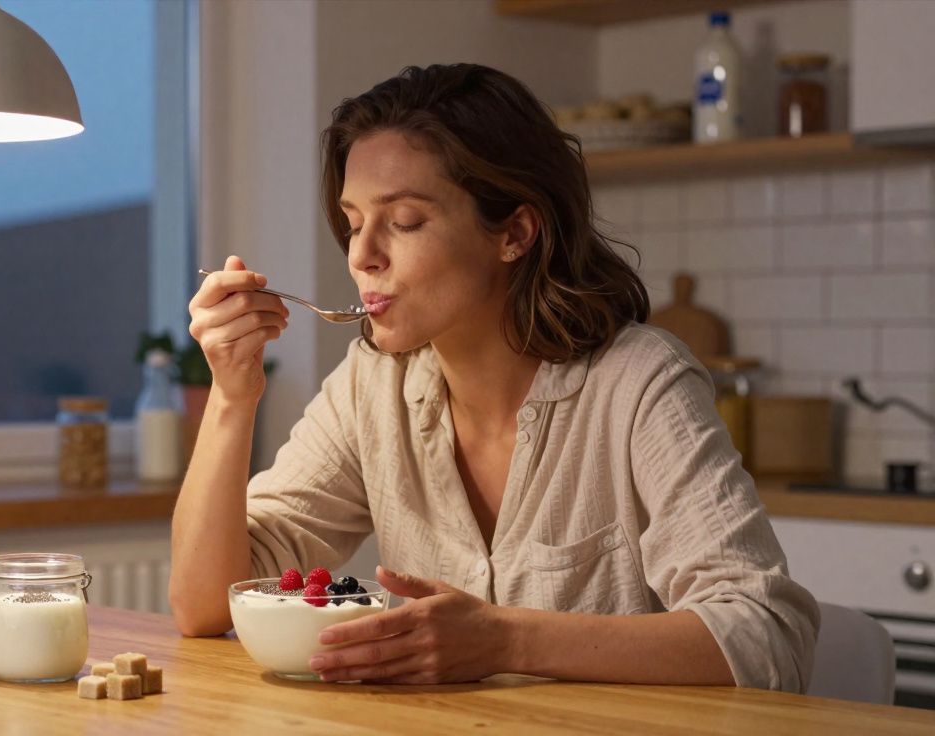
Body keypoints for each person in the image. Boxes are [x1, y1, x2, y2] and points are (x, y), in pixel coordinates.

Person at [169, 63, 819, 692]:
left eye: (403, 222)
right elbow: (205, 604)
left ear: (514, 232)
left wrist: (504, 641)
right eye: (354, 221)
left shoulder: (640, 384)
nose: (361, 256)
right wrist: (232, 395)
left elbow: (765, 633)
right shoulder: (373, 386)